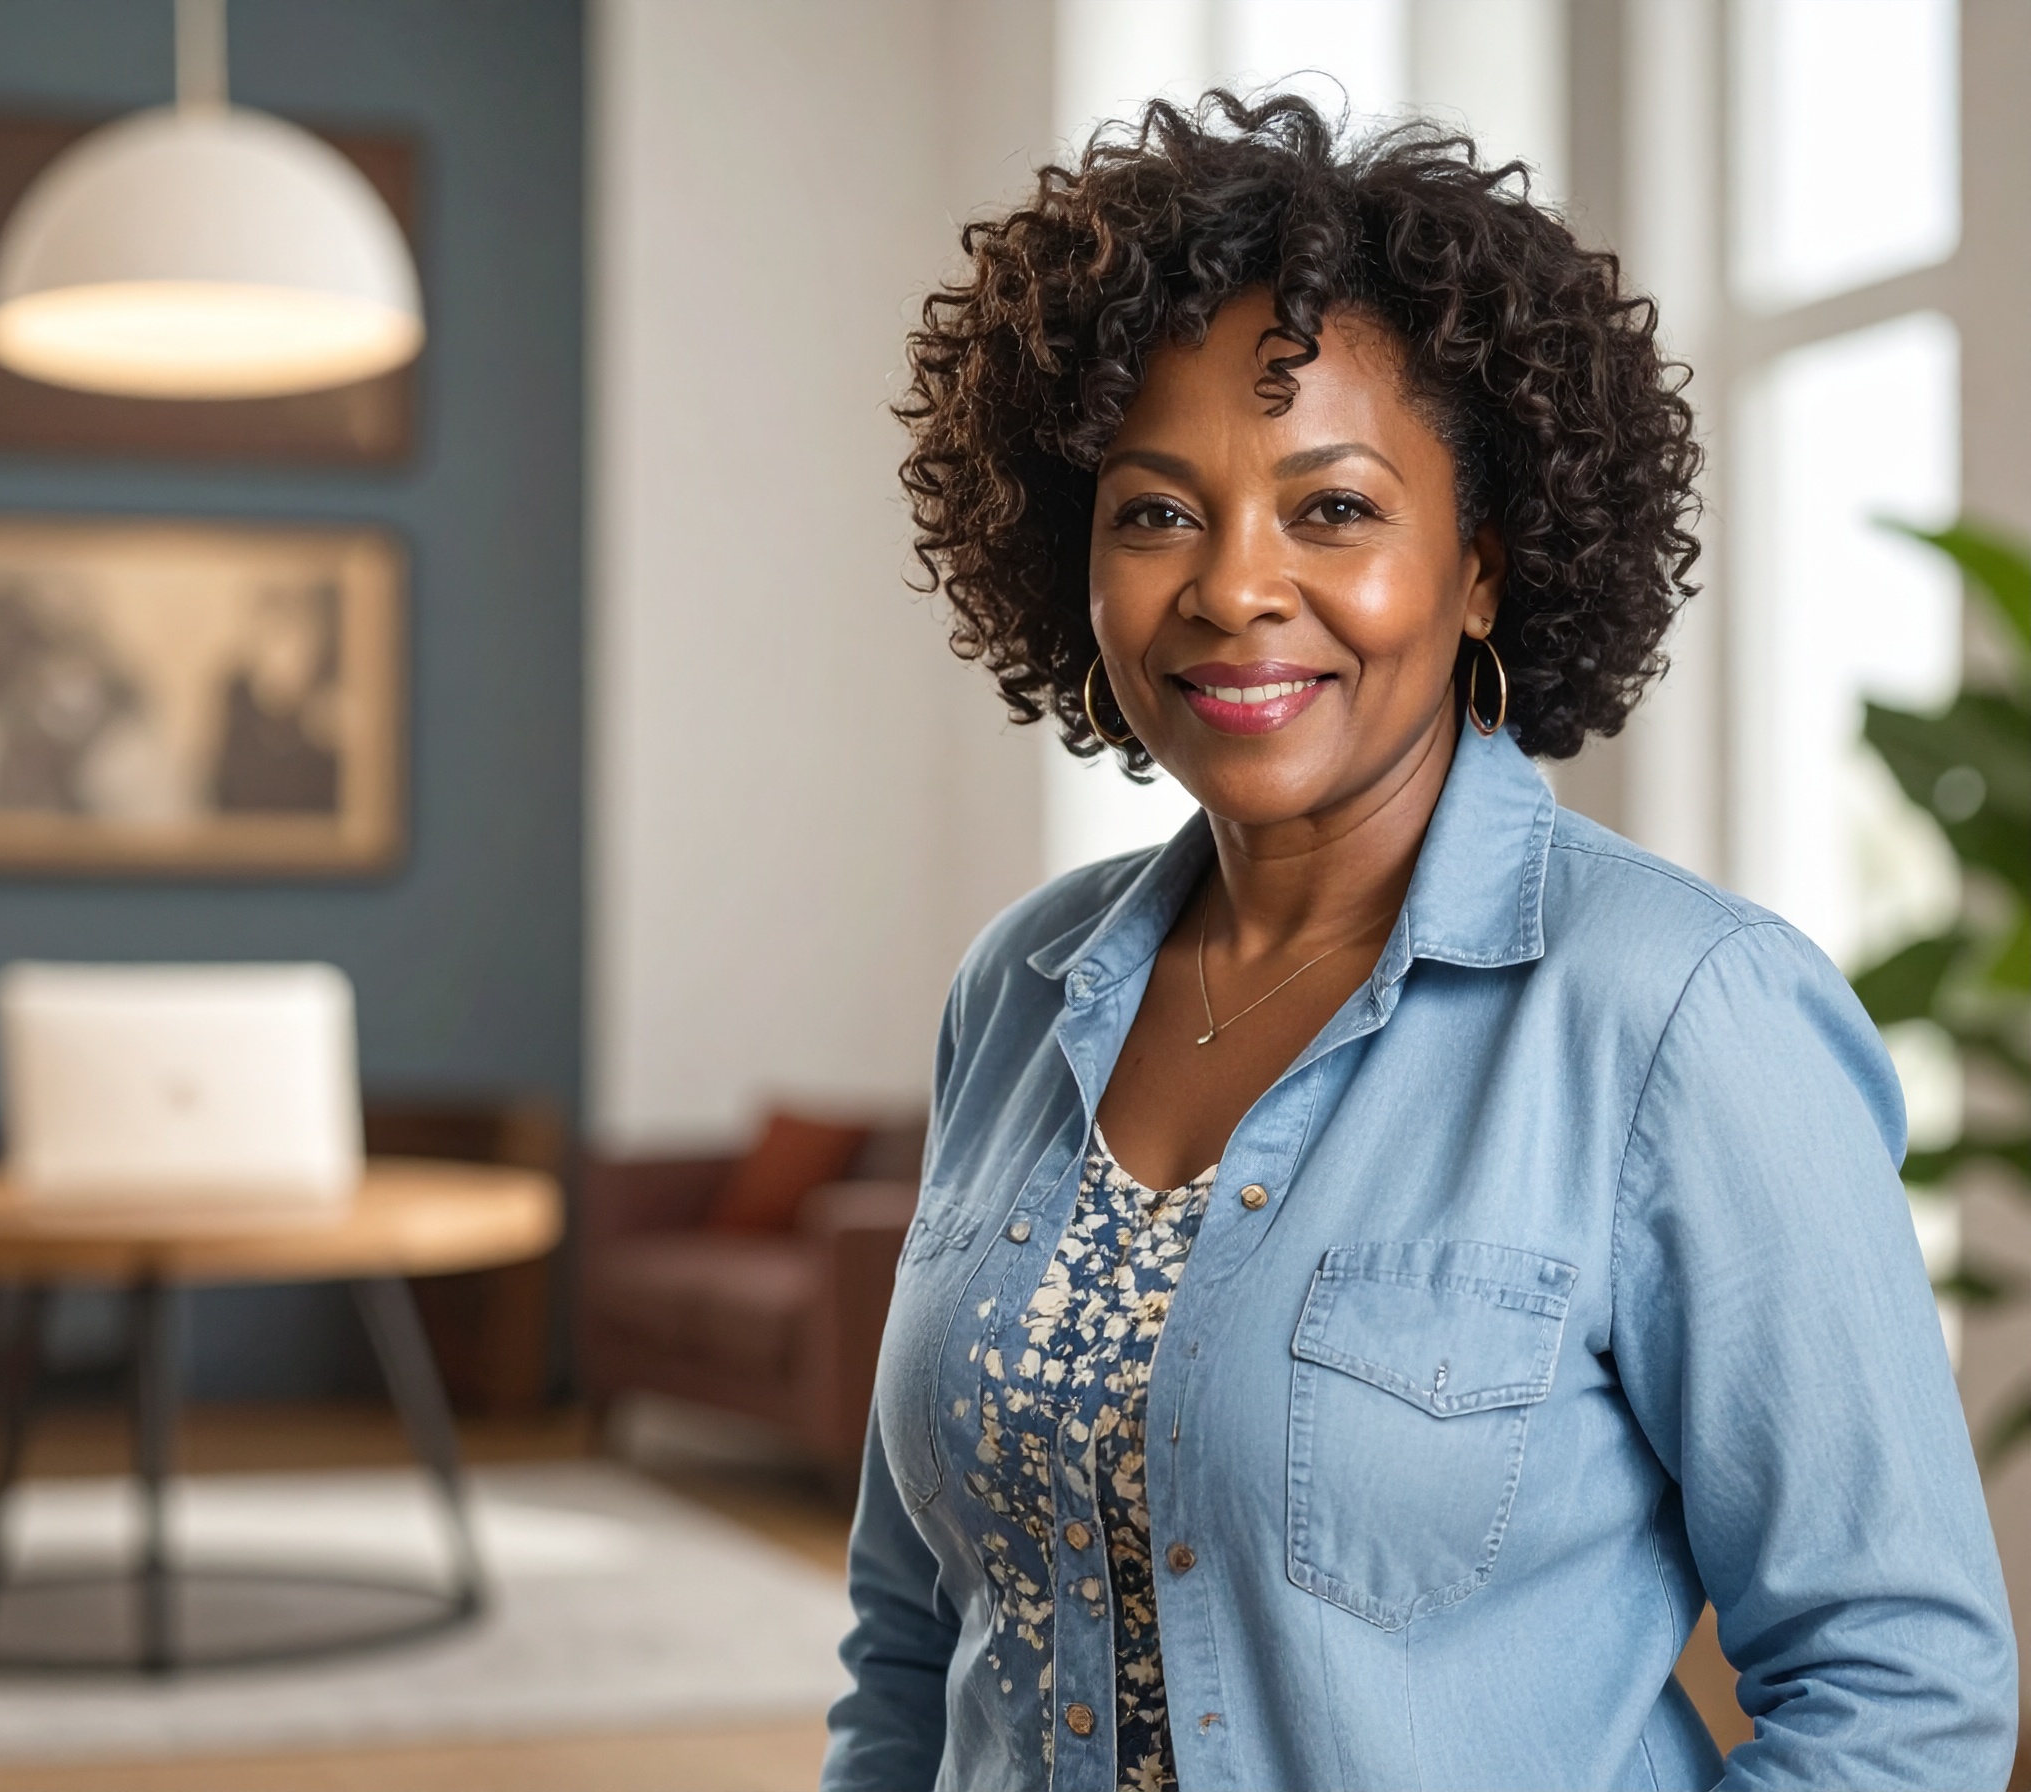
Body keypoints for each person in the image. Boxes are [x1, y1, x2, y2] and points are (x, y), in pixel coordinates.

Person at [822, 93, 2015, 1792]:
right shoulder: (1016, 991)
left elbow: (1902, 1695)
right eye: (1157, 513)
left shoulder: (1685, 1019)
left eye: (1334, 511)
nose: (1234, 586)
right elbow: (909, 1640)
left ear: (1482, 568)